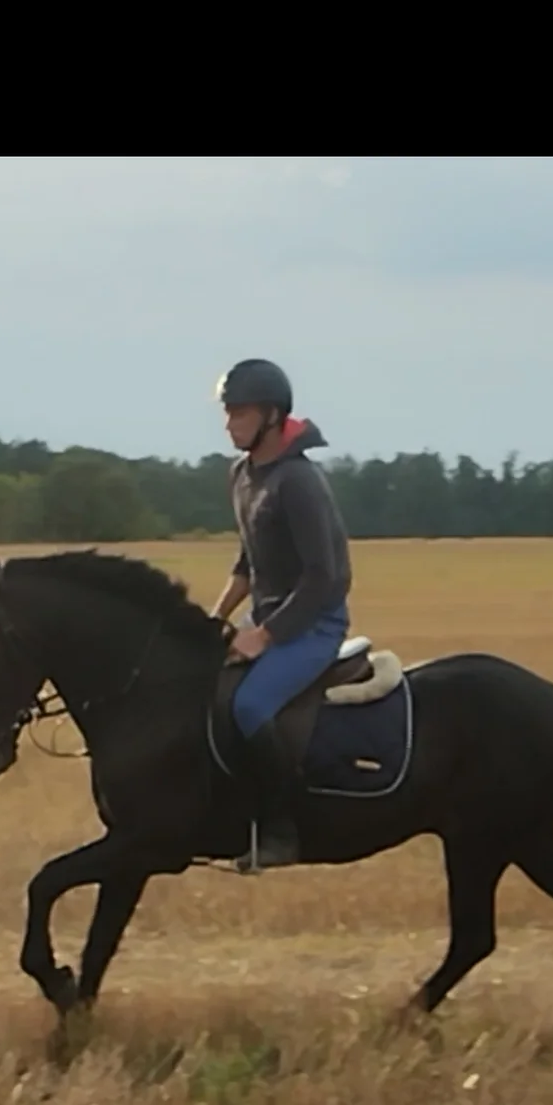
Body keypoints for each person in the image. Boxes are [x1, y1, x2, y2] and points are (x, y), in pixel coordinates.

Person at [209, 360, 353, 869]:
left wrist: (265, 635)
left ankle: (282, 833)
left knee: (249, 708)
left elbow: (325, 576)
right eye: (227, 413)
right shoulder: (243, 475)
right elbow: (248, 561)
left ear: (271, 415)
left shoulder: (298, 481)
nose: (229, 424)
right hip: (265, 617)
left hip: (313, 624)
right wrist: (216, 617)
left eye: (239, 413)